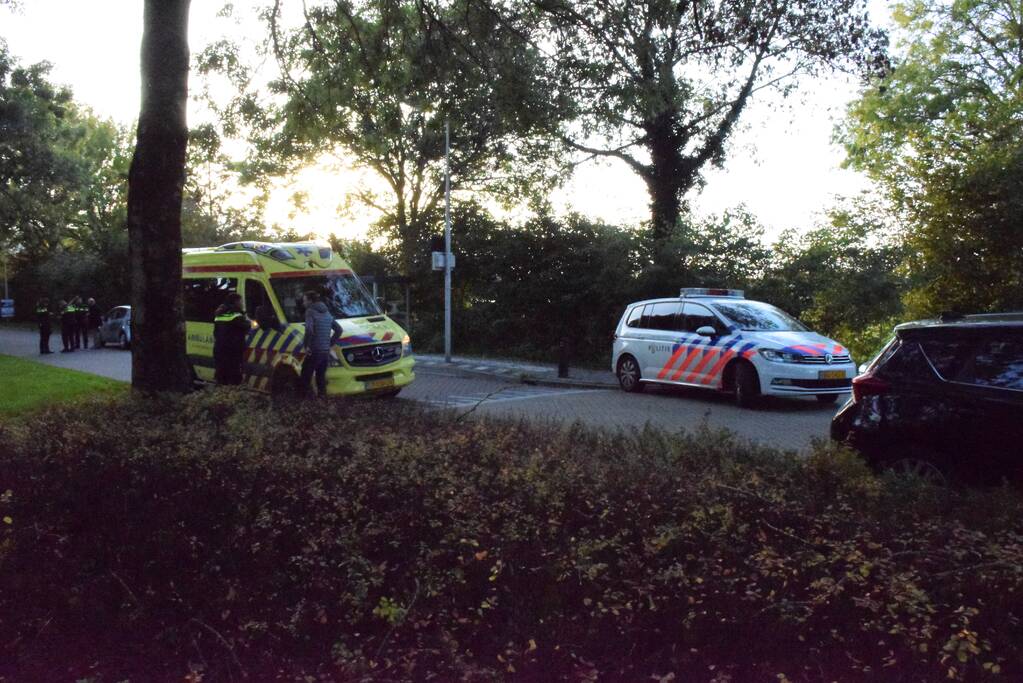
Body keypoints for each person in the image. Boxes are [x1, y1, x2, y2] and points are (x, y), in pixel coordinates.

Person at [299, 290, 341, 397]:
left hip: (314, 350)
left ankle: (304, 404)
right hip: (325, 352)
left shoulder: (310, 311)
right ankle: (323, 402)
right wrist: (329, 344)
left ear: (310, 301)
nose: (303, 303)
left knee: (305, 377)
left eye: (305, 300)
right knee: (320, 377)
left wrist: (306, 345)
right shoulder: (327, 312)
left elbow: (309, 329)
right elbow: (339, 330)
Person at [213, 292, 250, 385]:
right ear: (236, 302)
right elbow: (247, 326)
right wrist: (245, 316)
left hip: (220, 349)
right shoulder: (236, 316)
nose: (242, 303)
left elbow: (216, 332)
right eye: (240, 301)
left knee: (221, 375)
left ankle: (222, 394)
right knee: (235, 376)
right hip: (233, 350)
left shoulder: (219, 315)